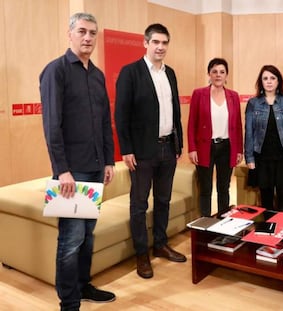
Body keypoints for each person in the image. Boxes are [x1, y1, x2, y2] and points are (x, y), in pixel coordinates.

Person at [39, 12, 116, 311]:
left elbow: (104, 123)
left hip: (96, 167)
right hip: (72, 171)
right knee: (70, 239)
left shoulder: (97, 75)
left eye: (92, 33)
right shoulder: (55, 71)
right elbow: (52, 126)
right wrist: (62, 171)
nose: (88, 38)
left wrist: (109, 160)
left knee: (88, 234)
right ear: (69, 34)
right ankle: (69, 302)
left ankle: (84, 286)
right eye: (82, 31)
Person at [114, 23, 186, 280]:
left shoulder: (171, 74)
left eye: (165, 42)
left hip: (168, 147)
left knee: (164, 200)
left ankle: (160, 243)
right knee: (139, 204)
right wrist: (126, 149)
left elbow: (175, 111)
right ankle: (141, 254)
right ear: (145, 43)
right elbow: (121, 115)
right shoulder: (130, 73)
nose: (160, 47)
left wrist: (179, 143)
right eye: (156, 42)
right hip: (142, 152)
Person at [187, 58, 243, 217]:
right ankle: (204, 223)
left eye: (222, 72)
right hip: (205, 147)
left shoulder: (233, 96)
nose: (218, 75)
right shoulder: (199, 94)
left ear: (227, 76)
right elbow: (192, 123)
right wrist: (192, 148)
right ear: (209, 74)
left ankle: (222, 223)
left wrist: (239, 150)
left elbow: (238, 126)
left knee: (223, 188)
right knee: (205, 188)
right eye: (214, 72)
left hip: (227, 147)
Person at [244, 65, 283, 212]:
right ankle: (268, 231)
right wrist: (249, 157)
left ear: (278, 81)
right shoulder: (253, 103)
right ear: (261, 82)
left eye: (272, 78)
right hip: (262, 157)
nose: (269, 81)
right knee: (266, 196)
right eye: (265, 78)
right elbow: (249, 132)